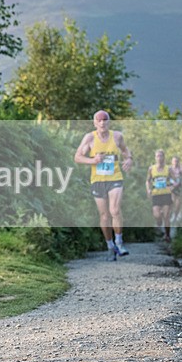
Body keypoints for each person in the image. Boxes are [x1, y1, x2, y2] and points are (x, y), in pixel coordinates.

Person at [74, 110, 134, 260]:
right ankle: (110, 246)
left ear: (109, 122)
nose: (102, 123)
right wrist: (92, 160)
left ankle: (119, 242)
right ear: (95, 123)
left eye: (105, 120)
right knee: (104, 215)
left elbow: (125, 151)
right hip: (98, 180)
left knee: (114, 210)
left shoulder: (117, 136)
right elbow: (77, 157)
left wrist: (129, 159)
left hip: (115, 178)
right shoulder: (89, 138)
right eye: (99, 120)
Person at [147, 149, 173, 242]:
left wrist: (172, 187)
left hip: (166, 194)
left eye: (161, 156)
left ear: (164, 157)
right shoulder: (151, 169)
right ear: (155, 157)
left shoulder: (168, 168)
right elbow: (148, 180)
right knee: (157, 215)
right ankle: (159, 222)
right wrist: (148, 189)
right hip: (156, 194)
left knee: (166, 216)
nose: (159, 158)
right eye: (157, 156)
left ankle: (167, 235)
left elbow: (174, 179)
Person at [169, 155, 182, 224]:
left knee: (178, 203)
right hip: (171, 186)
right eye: (173, 161)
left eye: (176, 161)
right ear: (171, 162)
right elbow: (166, 177)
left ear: (178, 162)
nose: (175, 163)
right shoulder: (169, 168)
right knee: (172, 201)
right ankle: (170, 215)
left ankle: (175, 216)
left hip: (179, 187)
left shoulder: (181, 168)